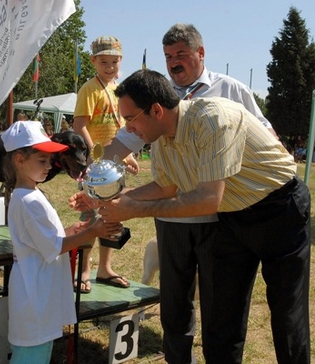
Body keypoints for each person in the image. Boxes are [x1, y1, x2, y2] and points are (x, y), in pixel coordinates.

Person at [71, 69, 311, 363]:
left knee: (287, 309)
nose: (128, 129)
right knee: (222, 315)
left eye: (130, 119)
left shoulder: (213, 118)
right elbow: (165, 186)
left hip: (281, 210)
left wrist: (135, 209)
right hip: (232, 216)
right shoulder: (162, 138)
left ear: (156, 110)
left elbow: (208, 199)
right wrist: (111, 200)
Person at [100, 23, 279, 363]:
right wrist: (96, 179)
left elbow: (267, 134)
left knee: (218, 304)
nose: (173, 63)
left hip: (220, 217)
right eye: (168, 56)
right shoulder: (155, 96)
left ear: (201, 53)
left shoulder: (231, 89)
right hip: (170, 215)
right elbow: (122, 142)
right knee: (175, 300)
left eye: (181, 54)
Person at [1, 121, 122, 364]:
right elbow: (54, 247)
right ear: (19, 159)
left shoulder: (25, 195)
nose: (49, 167)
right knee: (33, 354)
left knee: (37, 351)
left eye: (50, 160)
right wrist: (92, 232)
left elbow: (39, 239)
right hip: (36, 293)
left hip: (35, 289)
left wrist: (69, 231)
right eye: (42, 161)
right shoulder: (29, 200)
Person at [72, 35, 138, 293]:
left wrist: (129, 155)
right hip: (95, 164)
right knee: (89, 216)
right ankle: (85, 269)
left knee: (113, 215)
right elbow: (80, 125)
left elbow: (121, 126)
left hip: (115, 164)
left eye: (114, 61)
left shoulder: (117, 89)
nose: (110, 67)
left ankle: (105, 267)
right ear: (93, 61)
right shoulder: (90, 88)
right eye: (104, 62)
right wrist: (96, 155)